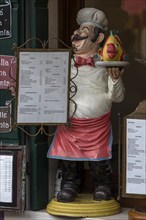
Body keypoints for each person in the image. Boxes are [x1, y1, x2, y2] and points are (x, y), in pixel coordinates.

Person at [47, 8, 125, 202]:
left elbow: (117, 98)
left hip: (97, 124)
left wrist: (115, 80)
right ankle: (69, 185)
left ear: (99, 38)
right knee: (68, 161)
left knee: (99, 160)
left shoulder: (106, 63)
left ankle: (102, 185)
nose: (77, 34)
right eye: (78, 30)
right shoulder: (64, 63)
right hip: (70, 124)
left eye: (85, 31)